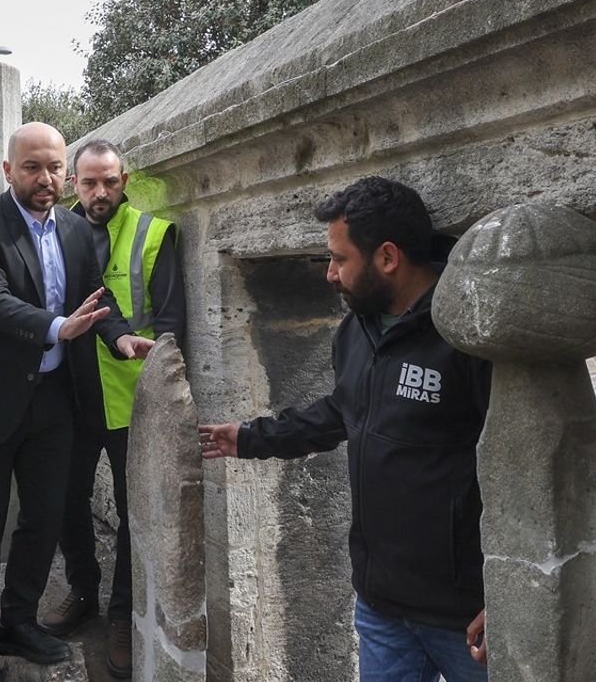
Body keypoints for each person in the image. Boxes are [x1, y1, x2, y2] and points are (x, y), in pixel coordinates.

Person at [198, 177, 491, 681]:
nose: (330, 274)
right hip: (382, 608)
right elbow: (343, 411)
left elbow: (518, 463)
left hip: (467, 618)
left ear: (388, 258)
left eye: (339, 259)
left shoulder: (466, 332)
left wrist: (503, 591)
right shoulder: (357, 328)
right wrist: (249, 437)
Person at [0, 123, 154, 682]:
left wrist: (118, 336)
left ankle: (19, 620)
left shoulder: (77, 230)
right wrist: (58, 325)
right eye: (33, 168)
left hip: (55, 400)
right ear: (9, 171)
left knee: (45, 517)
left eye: (55, 167)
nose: (46, 179)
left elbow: (98, 299)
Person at [40, 139, 186, 679]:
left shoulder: (153, 233)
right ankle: (82, 589)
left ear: (125, 179)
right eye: (89, 182)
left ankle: (122, 613)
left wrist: (164, 388)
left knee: (132, 512)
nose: (100, 192)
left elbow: (171, 321)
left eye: (110, 181)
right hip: (69, 397)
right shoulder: (53, 231)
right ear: (73, 183)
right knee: (63, 499)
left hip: (131, 397)